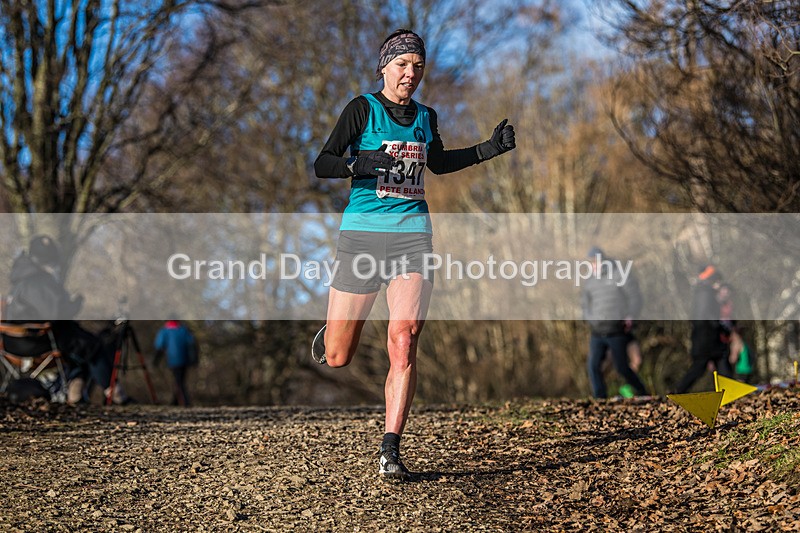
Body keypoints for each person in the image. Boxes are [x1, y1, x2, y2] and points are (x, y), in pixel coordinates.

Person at [311, 29, 516, 480]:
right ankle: (335, 323)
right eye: (402, 64)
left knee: (404, 339)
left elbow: (438, 164)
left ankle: (391, 449)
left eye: (417, 66)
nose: (410, 73)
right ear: (384, 68)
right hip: (363, 237)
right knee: (338, 355)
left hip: (413, 237)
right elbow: (322, 162)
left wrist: (489, 149)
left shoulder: (426, 116)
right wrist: (358, 163)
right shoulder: (361, 109)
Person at [6, 235, 126, 404]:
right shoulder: (38, 281)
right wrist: (74, 305)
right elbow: (55, 315)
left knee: (81, 349)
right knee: (93, 347)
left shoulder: (21, 280)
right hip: (38, 342)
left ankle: (76, 392)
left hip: (15, 343)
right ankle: (115, 393)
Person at [581, 246, 648, 399]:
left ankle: (642, 392)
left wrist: (630, 316)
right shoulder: (590, 281)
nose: (593, 265)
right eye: (591, 262)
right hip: (597, 331)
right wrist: (590, 319)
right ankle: (600, 398)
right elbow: (585, 304)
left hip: (617, 329)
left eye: (596, 261)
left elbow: (635, 298)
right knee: (593, 365)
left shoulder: (619, 274)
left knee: (622, 367)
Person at [674, 265, 734, 393]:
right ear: (712, 279)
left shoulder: (704, 292)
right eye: (717, 280)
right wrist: (721, 327)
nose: (719, 283)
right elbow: (705, 315)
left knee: (719, 363)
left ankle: (729, 391)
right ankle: (678, 391)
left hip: (706, 338)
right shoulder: (705, 293)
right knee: (700, 367)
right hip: (706, 339)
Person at [153, 319, 198, 406]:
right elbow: (191, 344)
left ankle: (185, 402)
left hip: (173, 359)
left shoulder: (164, 331)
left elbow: (159, 346)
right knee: (179, 380)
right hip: (184, 359)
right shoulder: (184, 330)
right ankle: (175, 402)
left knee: (179, 381)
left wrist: (156, 360)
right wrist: (194, 359)